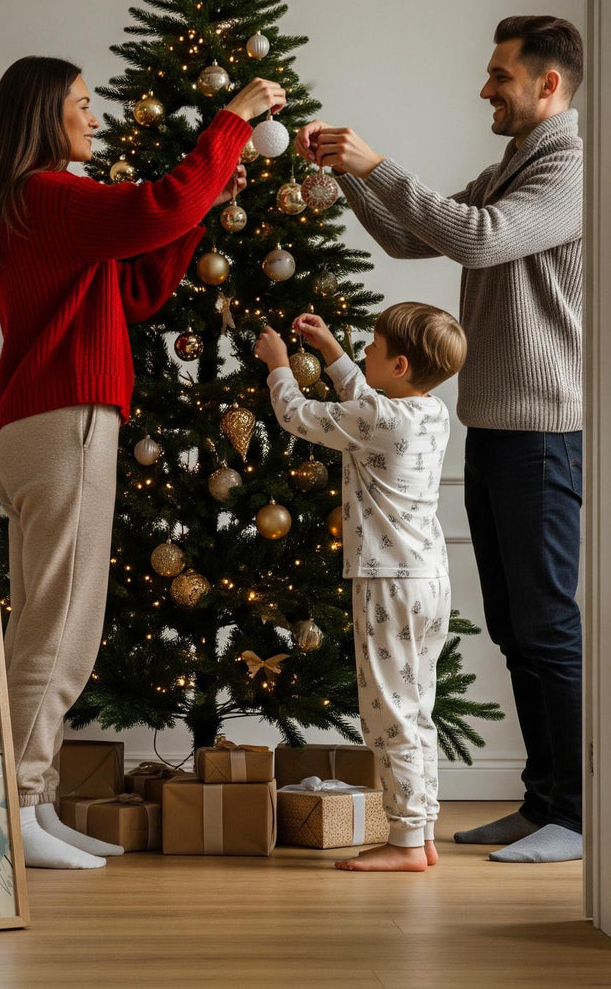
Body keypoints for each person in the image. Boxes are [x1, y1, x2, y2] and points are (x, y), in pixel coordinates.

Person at [0, 56, 285, 869]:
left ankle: (32, 805)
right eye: (79, 105)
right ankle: (11, 809)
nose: (92, 118)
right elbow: (156, 207)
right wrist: (233, 119)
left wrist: (199, 209)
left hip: (41, 425)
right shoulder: (51, 193)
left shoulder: (45, 205)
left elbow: (139, 285)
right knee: (60, 629)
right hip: (66, 421)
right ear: (43, 114)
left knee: (49, 623)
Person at [295, 16, 585, 863]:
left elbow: (477, 237)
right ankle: (542, 804)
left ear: (547, 86)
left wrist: (374, 162)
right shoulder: (512, 165)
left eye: (499, 76)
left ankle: (572, 813)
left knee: (545, 628)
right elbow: (408, 234)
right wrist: (348, 179)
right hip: (495, 427)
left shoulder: (569, 166)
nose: (485, 89)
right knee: (512, 628)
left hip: (543, 433)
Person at [257, 304, 466, 872]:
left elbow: (299, 415)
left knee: (389, 714)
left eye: (372, 347)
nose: (364, 352)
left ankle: (402, 844)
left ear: (398, 364)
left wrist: (279, 365)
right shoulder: (429, 412)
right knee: (416, 709)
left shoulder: (381, 419)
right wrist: (331, 352)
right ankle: (419, 832)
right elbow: (371, 398)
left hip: (387, 584)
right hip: (428, 581)